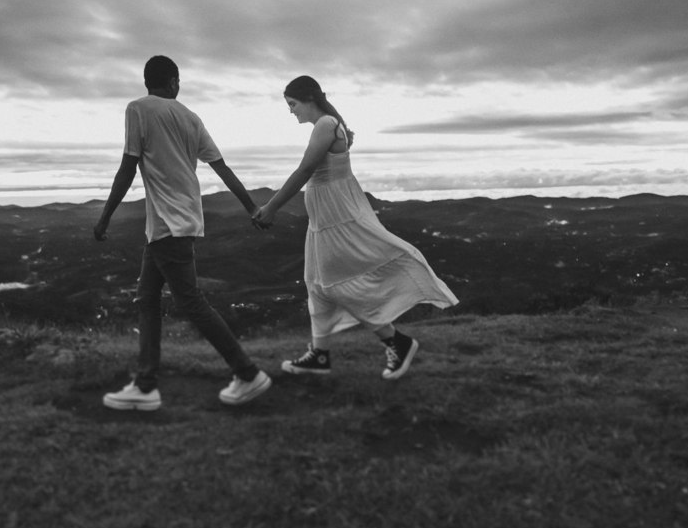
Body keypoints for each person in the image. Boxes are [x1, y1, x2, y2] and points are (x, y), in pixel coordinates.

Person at [94, 55, 272, 411]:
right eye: (179, 80)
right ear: (172, 81)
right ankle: (146, 385)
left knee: (190, 301)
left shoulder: (138, 109)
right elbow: (221, 168)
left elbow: (127, 167)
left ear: (147, 80)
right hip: (178, 222)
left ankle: (247, 373)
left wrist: (105, 216)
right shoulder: (190, 118)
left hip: (167, 224)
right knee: (147, 299)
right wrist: (250, 206)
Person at [252, 76, 459, 380]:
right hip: (323, 221)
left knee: (336, 285)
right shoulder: (326, 124)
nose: (291, 111)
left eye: (292, 104)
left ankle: (397, 342)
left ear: (308, 99)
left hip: (337, 219)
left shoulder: (325, 124)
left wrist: (271, 207)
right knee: (316, 284)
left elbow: (306, 169)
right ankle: (320, 354)